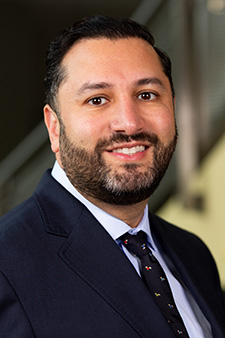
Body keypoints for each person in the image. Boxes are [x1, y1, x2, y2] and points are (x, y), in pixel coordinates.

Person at [0, 15, 224, 338]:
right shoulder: (8, 268)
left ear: (173, 108)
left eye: (147, 94)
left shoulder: (194, 254)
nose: (129, 124)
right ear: (54, 127)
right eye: (97, 100)